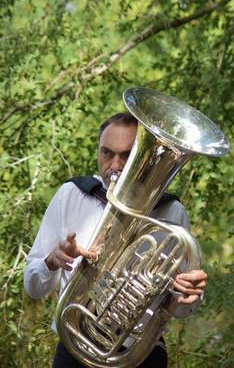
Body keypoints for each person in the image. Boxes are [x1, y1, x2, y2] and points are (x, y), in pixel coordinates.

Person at [23, 112, 208, 368]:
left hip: (141, 357)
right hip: (74, 352)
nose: (115, 166)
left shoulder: (171, 212)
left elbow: (182, 310)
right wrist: (52, 261)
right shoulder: (72, 195)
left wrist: (189, 295)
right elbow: (33, 287)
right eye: (107, 153)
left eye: (127, 155)